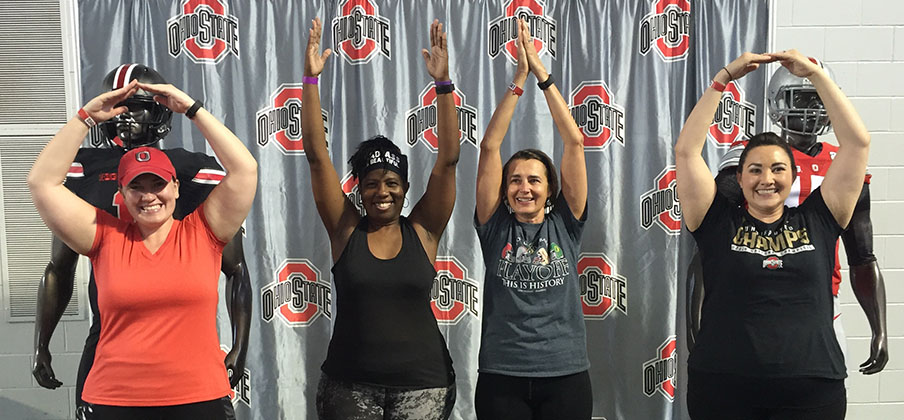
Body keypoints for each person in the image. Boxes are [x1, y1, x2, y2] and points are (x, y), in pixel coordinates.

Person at [28, 72, 257, 419]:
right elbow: (42, 186)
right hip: (114, 382)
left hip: (196, 388)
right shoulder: (103, 236)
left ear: (177, 187)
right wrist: (83, 116)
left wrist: (193, 109)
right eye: (137, 187)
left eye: (159, 184)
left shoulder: (203, 231)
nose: (149, 196)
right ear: (121, 193)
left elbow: (245, 171)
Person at [676, 50, 870, 419]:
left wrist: (815, 75)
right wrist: (723, 78)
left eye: (778, 168)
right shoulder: (716, 222)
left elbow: (857, 144)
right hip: (723, 387)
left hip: (811, 389)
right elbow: (687, 152)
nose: (766, 179)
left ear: (793, 177)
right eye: (755, 169)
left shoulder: (820, 218)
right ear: (739, 176)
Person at [301, 18, 459, 419]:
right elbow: (318, 158)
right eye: (371, 183)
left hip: (424, 387)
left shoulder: (424, 229)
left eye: (392, 183)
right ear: (359, 190)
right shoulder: (345, 229)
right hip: (348, 387)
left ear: (406, 188)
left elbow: (449, 159)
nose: (382, 192)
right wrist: (310, 81)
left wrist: (443, 85)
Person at [474, 19, 590, 420]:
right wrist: (517, 81)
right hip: (501, 374)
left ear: (550, 189)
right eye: (515, 180)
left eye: (534, 180)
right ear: (505, 189)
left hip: (565, 373)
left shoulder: (566, 223)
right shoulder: (494, 226)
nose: (524, 188)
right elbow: (490, 146)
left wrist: (542, 75)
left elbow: (574, 141)